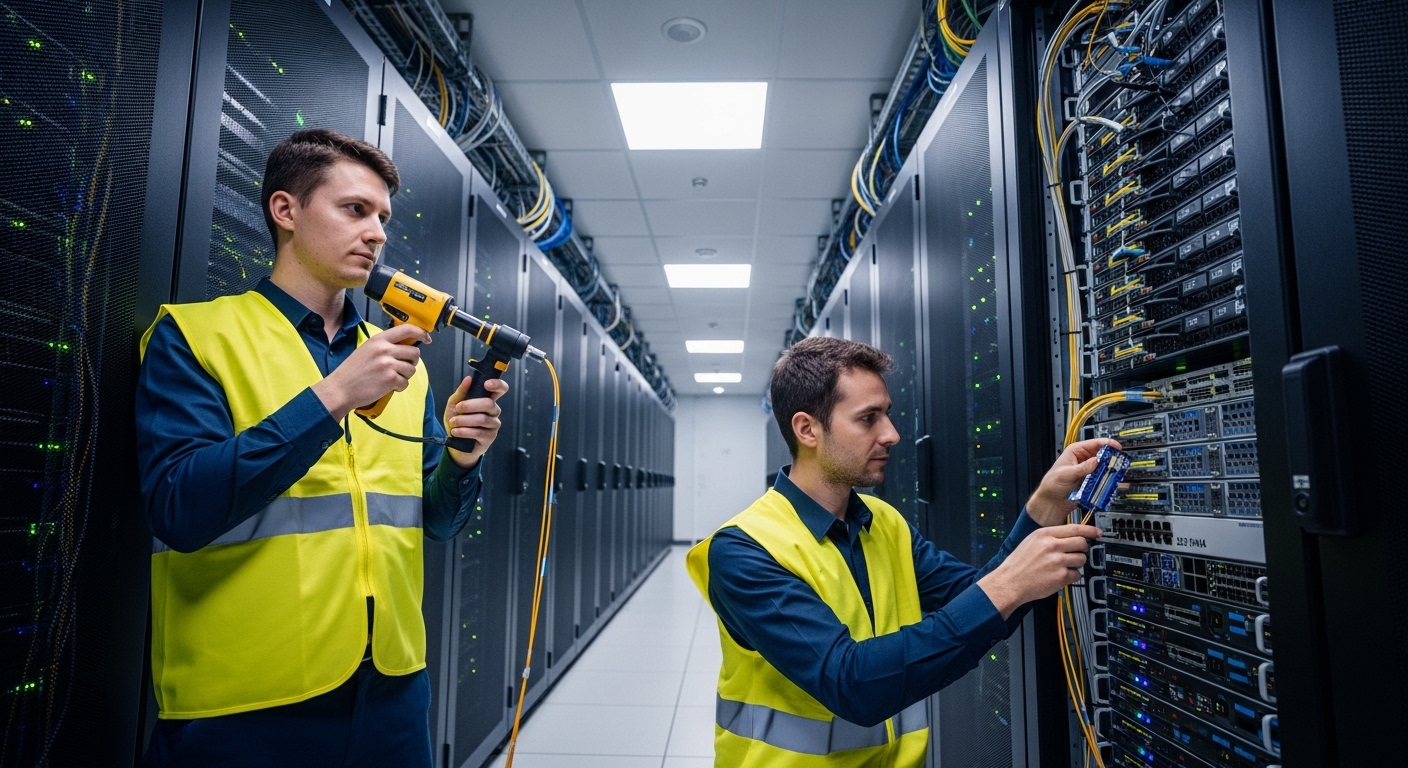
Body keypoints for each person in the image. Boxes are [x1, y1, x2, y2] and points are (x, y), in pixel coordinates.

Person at [135, 128, 508, 767]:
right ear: (286, 211)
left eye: (384, 217)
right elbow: (180, 508)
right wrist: (333, 396)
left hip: (391, 687)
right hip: (246, 700)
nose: (378, 233)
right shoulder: (197, 336)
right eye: (355, 209)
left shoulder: (404, 364)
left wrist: (461, 459)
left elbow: (436, 524)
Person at [686, 336, 1114, 767]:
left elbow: (977, 597)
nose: (891, 434)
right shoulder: (744, 550)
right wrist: (1005, 588)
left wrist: (1044, 507)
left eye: (886, 414)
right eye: (868, 418)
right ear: (807, 429)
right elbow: (852, 684)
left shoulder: (882, 522)